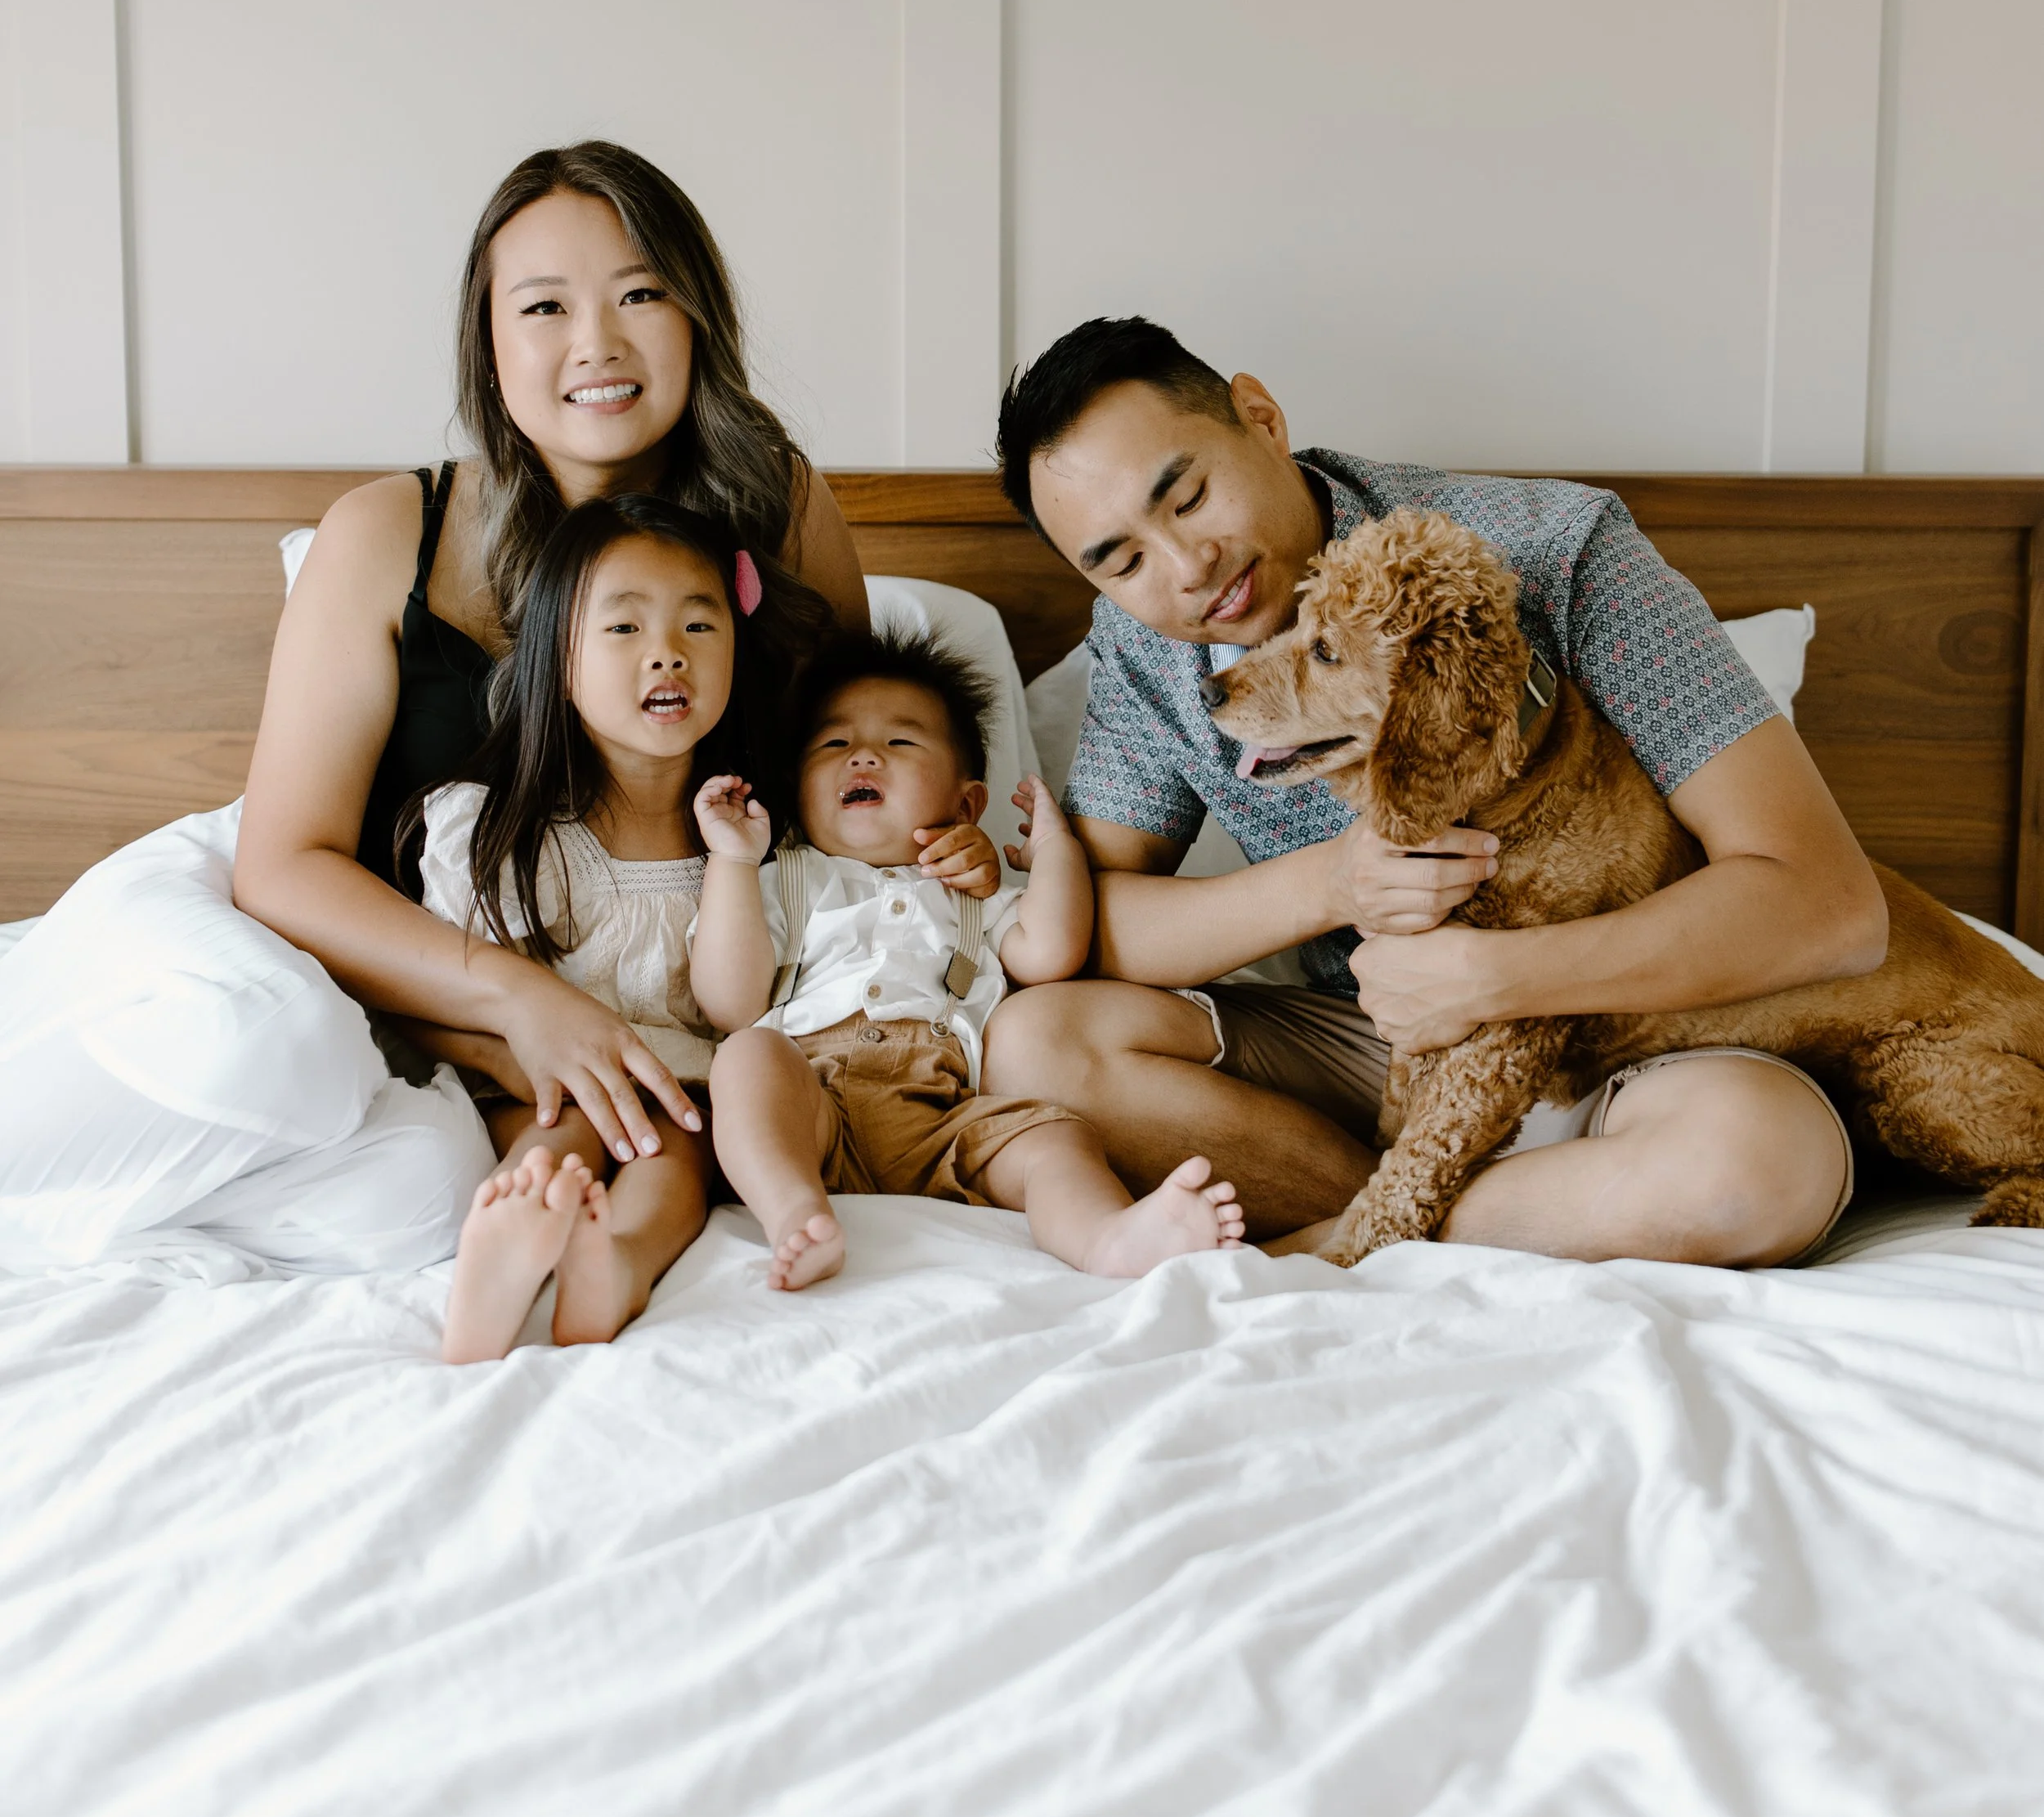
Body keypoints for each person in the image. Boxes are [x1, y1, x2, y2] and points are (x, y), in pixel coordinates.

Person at [981, 316, 1880, 1264]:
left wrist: (1495, 980)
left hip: (1640, 1038)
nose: (1185, 568)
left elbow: (1827, 901)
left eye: (1189, 497)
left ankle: (1354, 1237)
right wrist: (1335, 884)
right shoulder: (1145, 643)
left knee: (1755, 1167)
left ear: (1260, 416)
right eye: (1121, 561)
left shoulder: (1552, 551)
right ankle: (1458, 1209)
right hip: (1388, 1052)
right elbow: (1098, 928)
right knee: (1034, 1044)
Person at [235, 141, 872, 1171]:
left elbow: (862, 769)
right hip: (449, 1017)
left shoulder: (781, 508)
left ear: (699, 319)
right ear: (488, 343)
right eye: (544, 308)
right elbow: (281, 866)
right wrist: (513, 1003)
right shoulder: (387, 532)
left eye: (641, 294)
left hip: (742, 1034)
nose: (597, 344)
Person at [694, 628, 1248, 1291]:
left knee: (1055, 1138)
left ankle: (1106, 1236)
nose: (862, 756)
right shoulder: (788, 878)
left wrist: (1054, 850)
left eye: (900, 742)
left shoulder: (976, 894)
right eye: (833, 744)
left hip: (946, 1116)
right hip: (813, 1104)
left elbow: (1050, 952)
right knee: (747, 1058)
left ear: (966, 803)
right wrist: (731, 859)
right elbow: (730, 1003)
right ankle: (794, 1214)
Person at [425, 495, 844, 1357]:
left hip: (680, 1101)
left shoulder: (754, 836)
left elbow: (734, 1010)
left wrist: (733, 861)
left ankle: (610, 1266)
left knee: (674, 1160)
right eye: (623, 629)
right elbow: (447, 993)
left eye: (700, 624)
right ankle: (505, 1244)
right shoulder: (503, 833)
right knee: (568, 1137)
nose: (668, 653)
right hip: (535, 1095)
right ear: (559, 659)